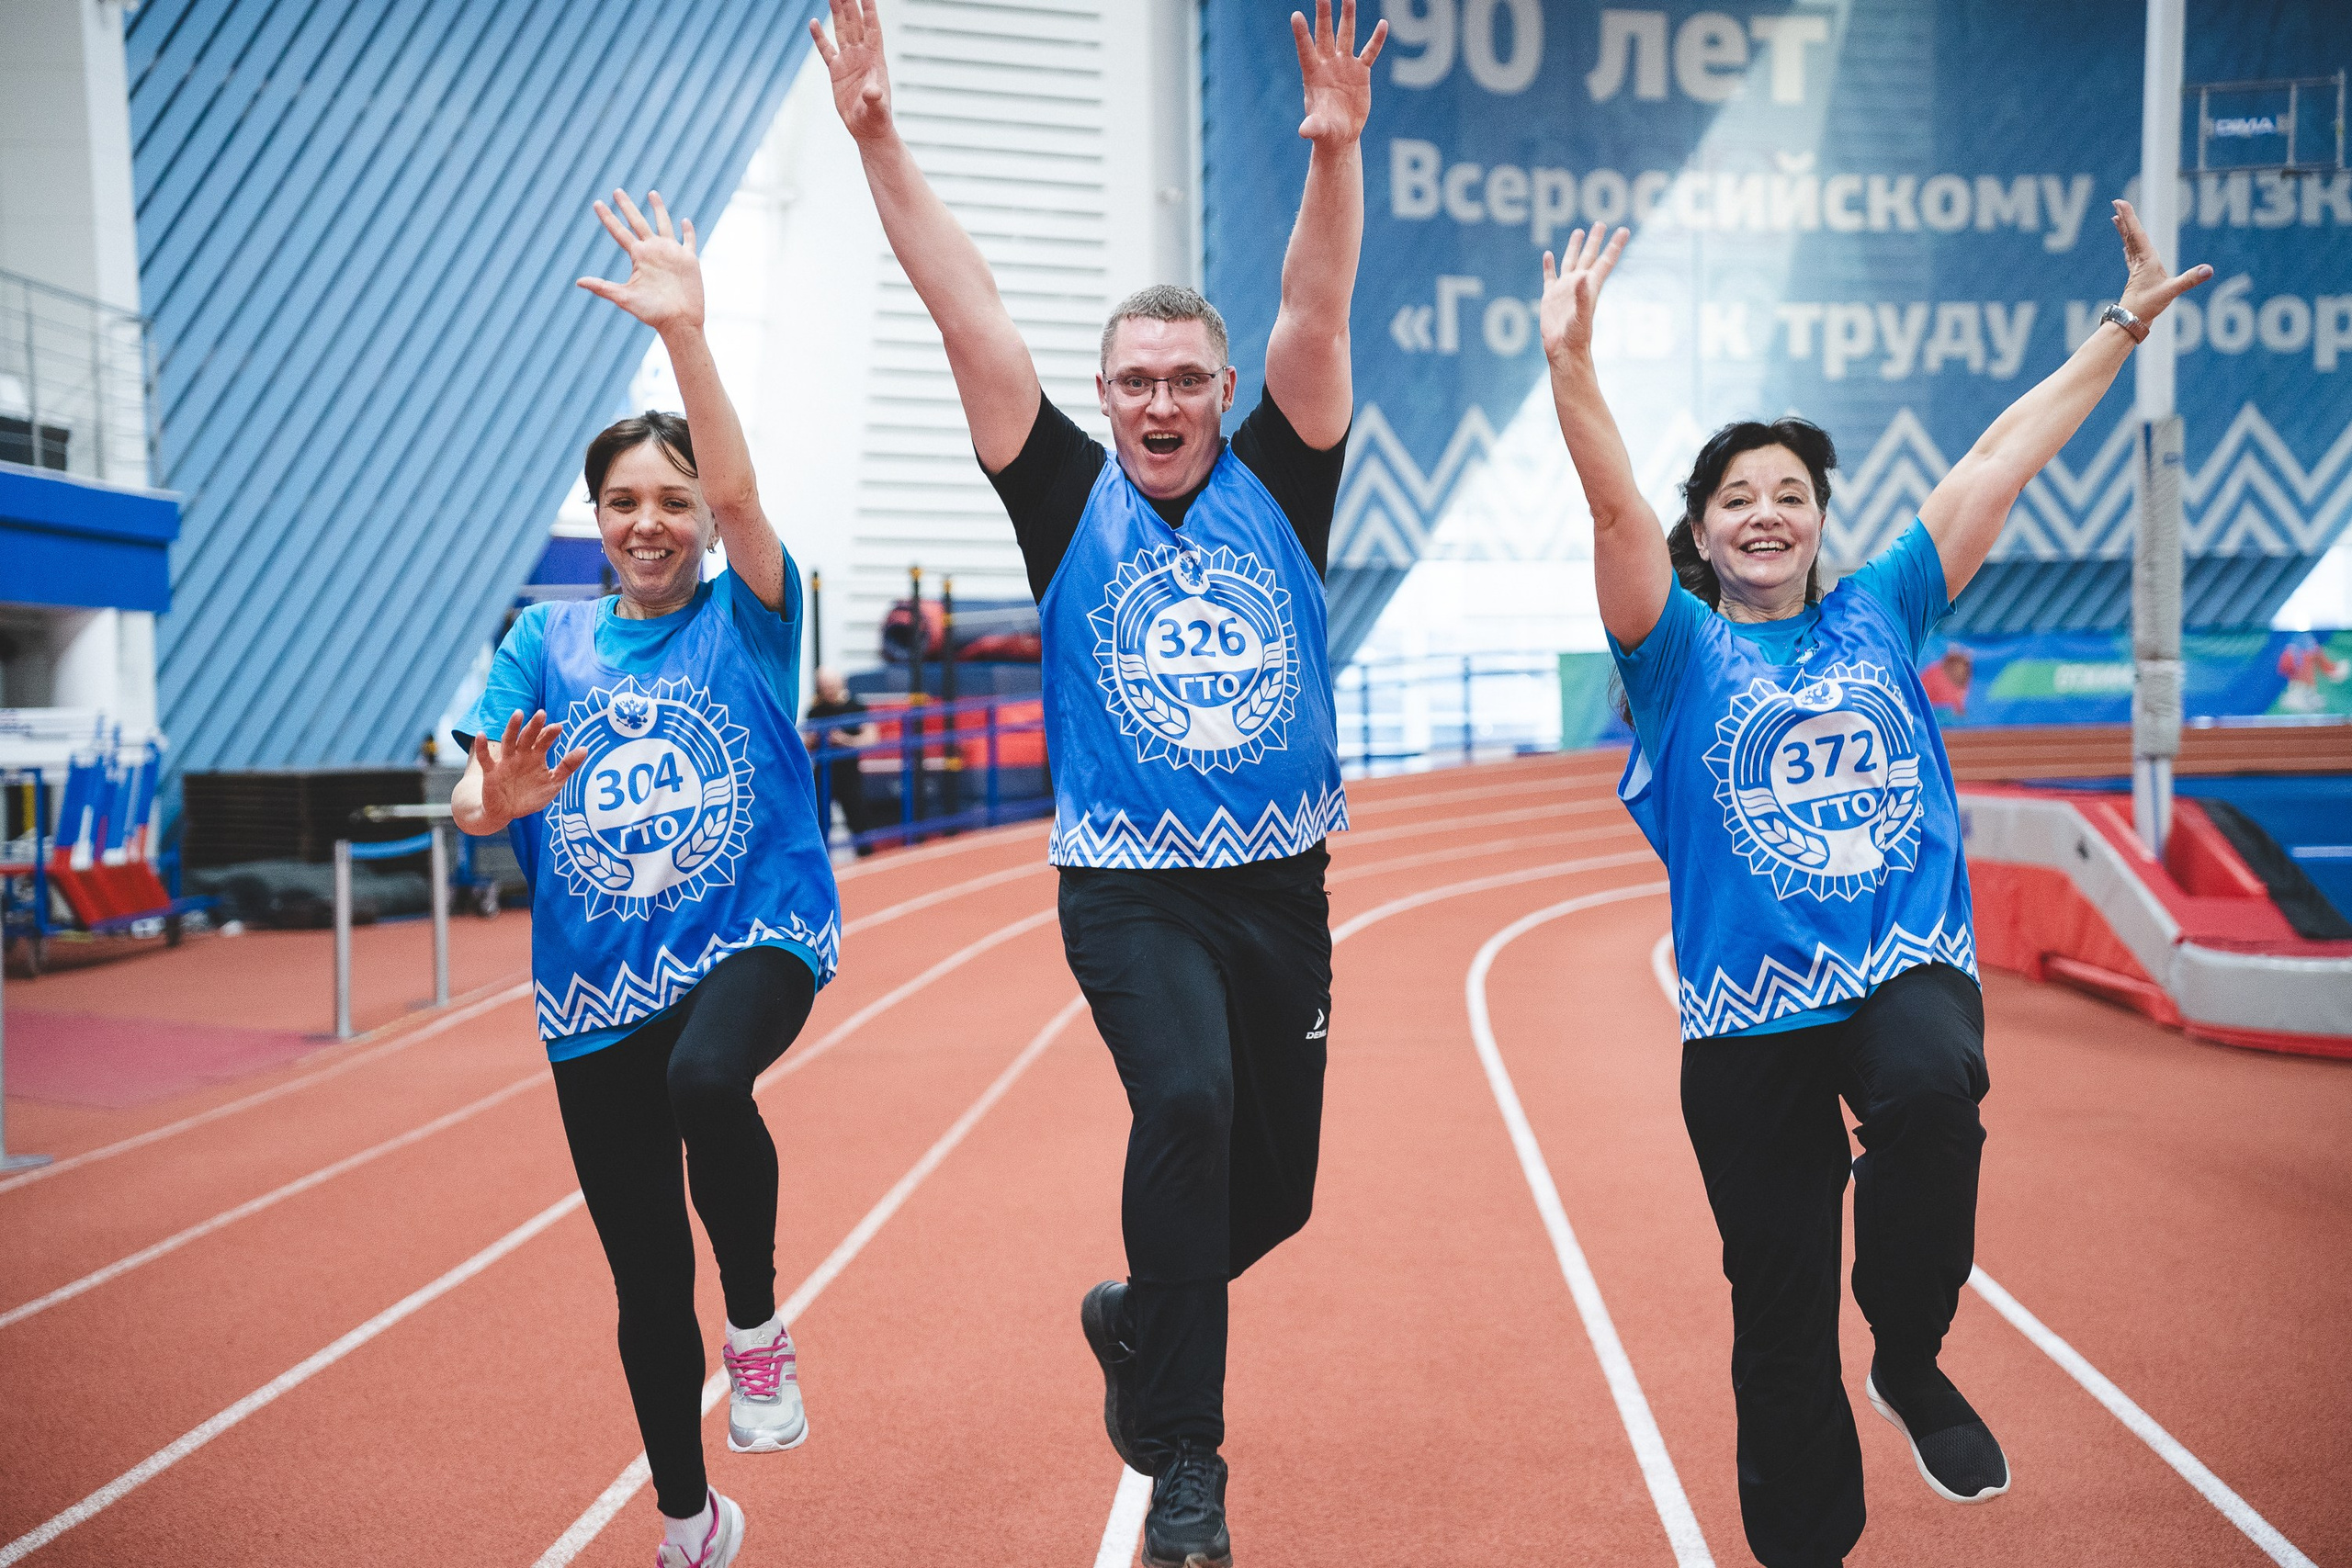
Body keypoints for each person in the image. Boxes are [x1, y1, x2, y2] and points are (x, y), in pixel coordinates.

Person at [1542, 206, 2209, 1565]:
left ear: (1820, 521)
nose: (1767, 511)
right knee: (1778, 1310)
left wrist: (2122, 326)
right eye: (1738, 497)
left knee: (1930, 1087)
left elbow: (1997, 460)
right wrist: (1571, 365)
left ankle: (1908, 1352)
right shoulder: (1671, 651)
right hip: (1744, 1014)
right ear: (1702, 532)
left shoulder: (1882, 607)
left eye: (1791, 492)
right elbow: (1611, 506)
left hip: (1899, 961)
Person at [812, 2, 1384, 1562]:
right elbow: (967, 311)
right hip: (1129, 891)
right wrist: (877, 136)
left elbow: (1317, 304)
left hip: (1281, 887)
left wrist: (1334, 153)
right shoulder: (1062, 494)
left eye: (1186, 379)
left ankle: (1136, 1313)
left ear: (1223, 392)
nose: (1160, 404)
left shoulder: (1287, 476)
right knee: (1186, 1102)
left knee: (1272, 1196)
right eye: (1135, 381)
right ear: (1105, 393)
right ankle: (1188, 1462)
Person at [450, 189, 843, 1568]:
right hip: (592, 987)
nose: (652, 522)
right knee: (639, 1279)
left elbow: (740, 494)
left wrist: (687, 335)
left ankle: (760, 1326)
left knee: (708, 1080)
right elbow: (474, 789)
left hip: (754, 933)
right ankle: (690, 1522)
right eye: (625, 502)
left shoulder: (752, 613)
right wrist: (491, 803)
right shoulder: (541, 643)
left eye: (673, 501)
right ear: (596, 516)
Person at [805, 666, 883, 852]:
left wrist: (844, 740)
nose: (829, 691)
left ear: (841, 684)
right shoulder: (815, 711)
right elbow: (805, 744)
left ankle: (865, 857)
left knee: (858, 820)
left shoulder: (856, 707)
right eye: (824, 687)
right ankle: (823, 861)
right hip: (824, 773)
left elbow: (872, 738)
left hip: (849, 773)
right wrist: (814, 739)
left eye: (831, 686)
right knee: (820, 822)